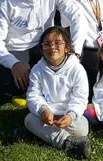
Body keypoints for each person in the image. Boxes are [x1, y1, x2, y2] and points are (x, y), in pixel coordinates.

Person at [24, 26, 90, 158]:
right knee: (30, 120)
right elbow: (33, 95)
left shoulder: (77, 69)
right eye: (47, 44)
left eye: (58, 43)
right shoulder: (37, 69)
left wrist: (71, 115)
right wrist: (43, 109)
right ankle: (67, 142)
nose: (52, 47)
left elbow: (80, 97)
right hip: (46, 115)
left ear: (67, 48)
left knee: (82, 127)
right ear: (42, 48)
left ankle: (48, 135)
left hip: (68, 115)